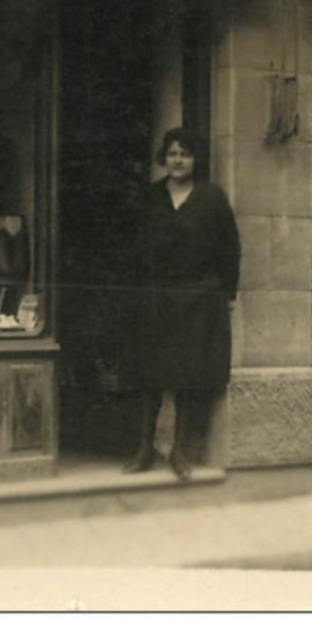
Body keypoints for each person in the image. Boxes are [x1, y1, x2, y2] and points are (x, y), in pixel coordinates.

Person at [126, 127, 241, 480]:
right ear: (164, 157)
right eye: (173, 153)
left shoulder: (212, 198)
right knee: (151, 376)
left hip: (197, 300)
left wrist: (227, 293)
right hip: (155, 298)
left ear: (196, 160)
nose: (178, 160)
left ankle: (179, 451)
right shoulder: (149, 197)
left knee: (189, 377)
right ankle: (145, 449)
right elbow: (132, 248)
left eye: (185, 154)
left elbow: (230, 248)